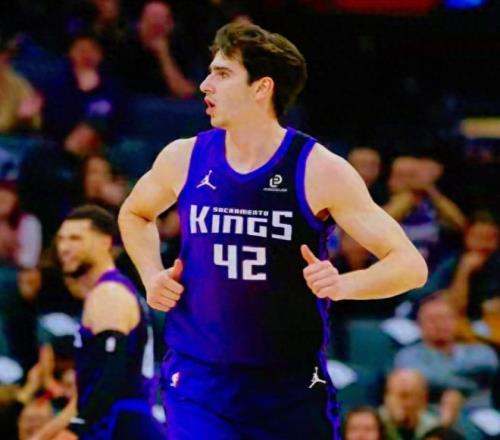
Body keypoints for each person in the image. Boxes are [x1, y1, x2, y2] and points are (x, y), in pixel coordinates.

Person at [118, 23, 428, 439]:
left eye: (223, 74)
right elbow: (135, 214)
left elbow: (410, 266)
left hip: (290, 387)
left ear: (262, 88)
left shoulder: (319, 168)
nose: (206, 85)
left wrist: (343, 284)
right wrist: (150, 273)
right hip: (199, 381)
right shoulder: (183, 157)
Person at [54, 205, 165, 439]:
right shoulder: (108, 290)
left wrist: (76, 428)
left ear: (105, 242)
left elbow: (110, 373)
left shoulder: (109, 293)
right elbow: (89, 389)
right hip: (119, 421)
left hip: (121, 425)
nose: (64, 247)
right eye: (61, 239)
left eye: (75, 238)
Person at [394, 296, 498, 409]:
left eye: (445, 318)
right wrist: (470, 382)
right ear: (419, 324)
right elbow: (424, 381)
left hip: (481, 412)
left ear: (457, 321)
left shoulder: (481, 351)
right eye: (432, 320)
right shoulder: (408, 356)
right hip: (431, 412)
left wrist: (442, 379)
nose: (440, 324)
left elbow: (491, 371)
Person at [379, 369, 440, 440]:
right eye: (399, 396)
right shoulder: (375, 424)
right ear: (386, 398)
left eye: (408, 396)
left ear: (423, 399)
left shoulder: (433, 429)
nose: (404, 403)